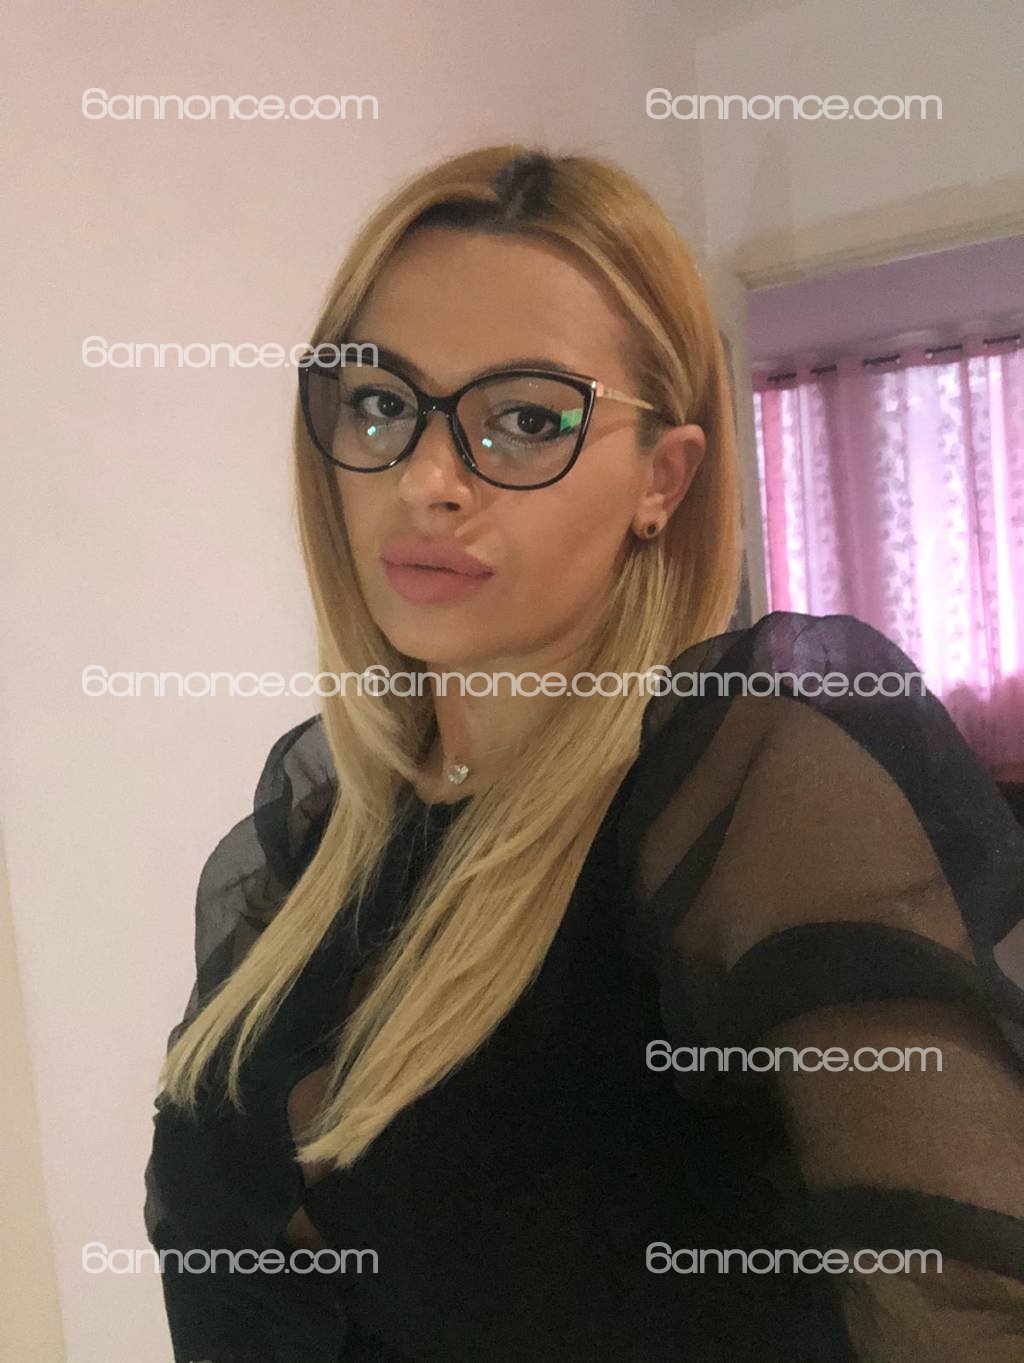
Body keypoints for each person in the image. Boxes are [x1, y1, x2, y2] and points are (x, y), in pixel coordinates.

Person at [144, 145, 1024, 1362]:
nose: (429, 479)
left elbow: (972, 1309)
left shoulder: (745, 790)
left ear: (661, 479)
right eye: (381, 403)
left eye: (523, 420)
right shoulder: (308, 848)